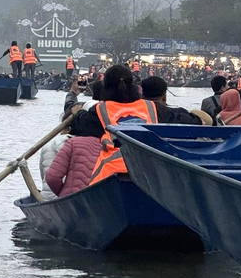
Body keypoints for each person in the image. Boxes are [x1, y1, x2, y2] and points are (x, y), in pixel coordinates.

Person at [65, 65, 204, 186]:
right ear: (133, 85)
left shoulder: (99, 111)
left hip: (112, 176)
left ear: (105, 87)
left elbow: (76, 125)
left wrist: (75, 106)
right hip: (152, 173)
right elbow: (192, 121)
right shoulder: (153, 107)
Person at [38, 113, 75, 200]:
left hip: (48, 198)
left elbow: (44, 176)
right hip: (72, 199)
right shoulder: (89, 147)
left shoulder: (47, 147)